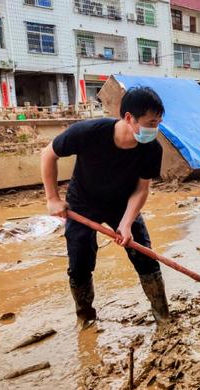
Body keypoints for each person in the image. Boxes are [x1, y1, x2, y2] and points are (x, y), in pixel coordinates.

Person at [40, 87, 168, 327]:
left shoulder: (152, 148)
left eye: (159, 122)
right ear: (129, 118)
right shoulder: (89, 132)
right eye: (151, 122)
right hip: (83, 202)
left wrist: (127, 222)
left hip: (122, 203)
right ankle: (86, 317)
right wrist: (52, 199)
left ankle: (163, 316)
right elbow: (48, 155)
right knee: (79, 260)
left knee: (144, 254)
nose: (155, 128)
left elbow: (141, 189)